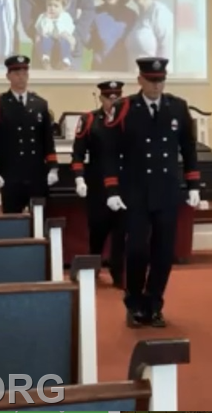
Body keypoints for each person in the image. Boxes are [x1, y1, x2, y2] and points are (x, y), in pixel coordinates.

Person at [101, 57, 201, 328]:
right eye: (151, 80)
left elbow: (189, 148)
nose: (156, 86)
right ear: (140, 80)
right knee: (136, 250)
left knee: (163, 252)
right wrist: (112, 189)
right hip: (135, 191)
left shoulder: (177, 107)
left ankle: (154, 304)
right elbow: (110, 152)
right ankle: (134, 303)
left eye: (160, 80)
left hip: (166, 190)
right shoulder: (124, 108)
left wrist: (193, 184)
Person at [0, 56, 59, 213]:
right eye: (17, 73)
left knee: (39, 217)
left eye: (24, 73)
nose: (21, 77)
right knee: (12, 217)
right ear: (8, 76)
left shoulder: (40, 104)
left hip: (36, 172)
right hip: (11, 172)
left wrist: (53, 167)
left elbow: (47, 140)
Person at [71, 81, 127, 288]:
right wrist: (79, 178)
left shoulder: (128, 120)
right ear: (101, 98)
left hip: (123, 183)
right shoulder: (89, 120)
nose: (112, 102)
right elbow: (78, 153)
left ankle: (118, 273)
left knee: (122, 231)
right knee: (97, 229)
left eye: (117, 98)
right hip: (97, 184)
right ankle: (93, 267)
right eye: (109, 98)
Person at [33, 0, 76, 70]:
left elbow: (69, 32)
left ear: (62, 7)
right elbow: (42, 32)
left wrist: (65, 35)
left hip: (61, 41)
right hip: (48, 42)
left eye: (56, 6)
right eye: (49, 5)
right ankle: (46, 58)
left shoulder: (66, 17)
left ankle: (65, 60)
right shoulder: (43, 17)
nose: (52, 8)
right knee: (46, 39)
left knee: (65, 42)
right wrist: (48, 19)